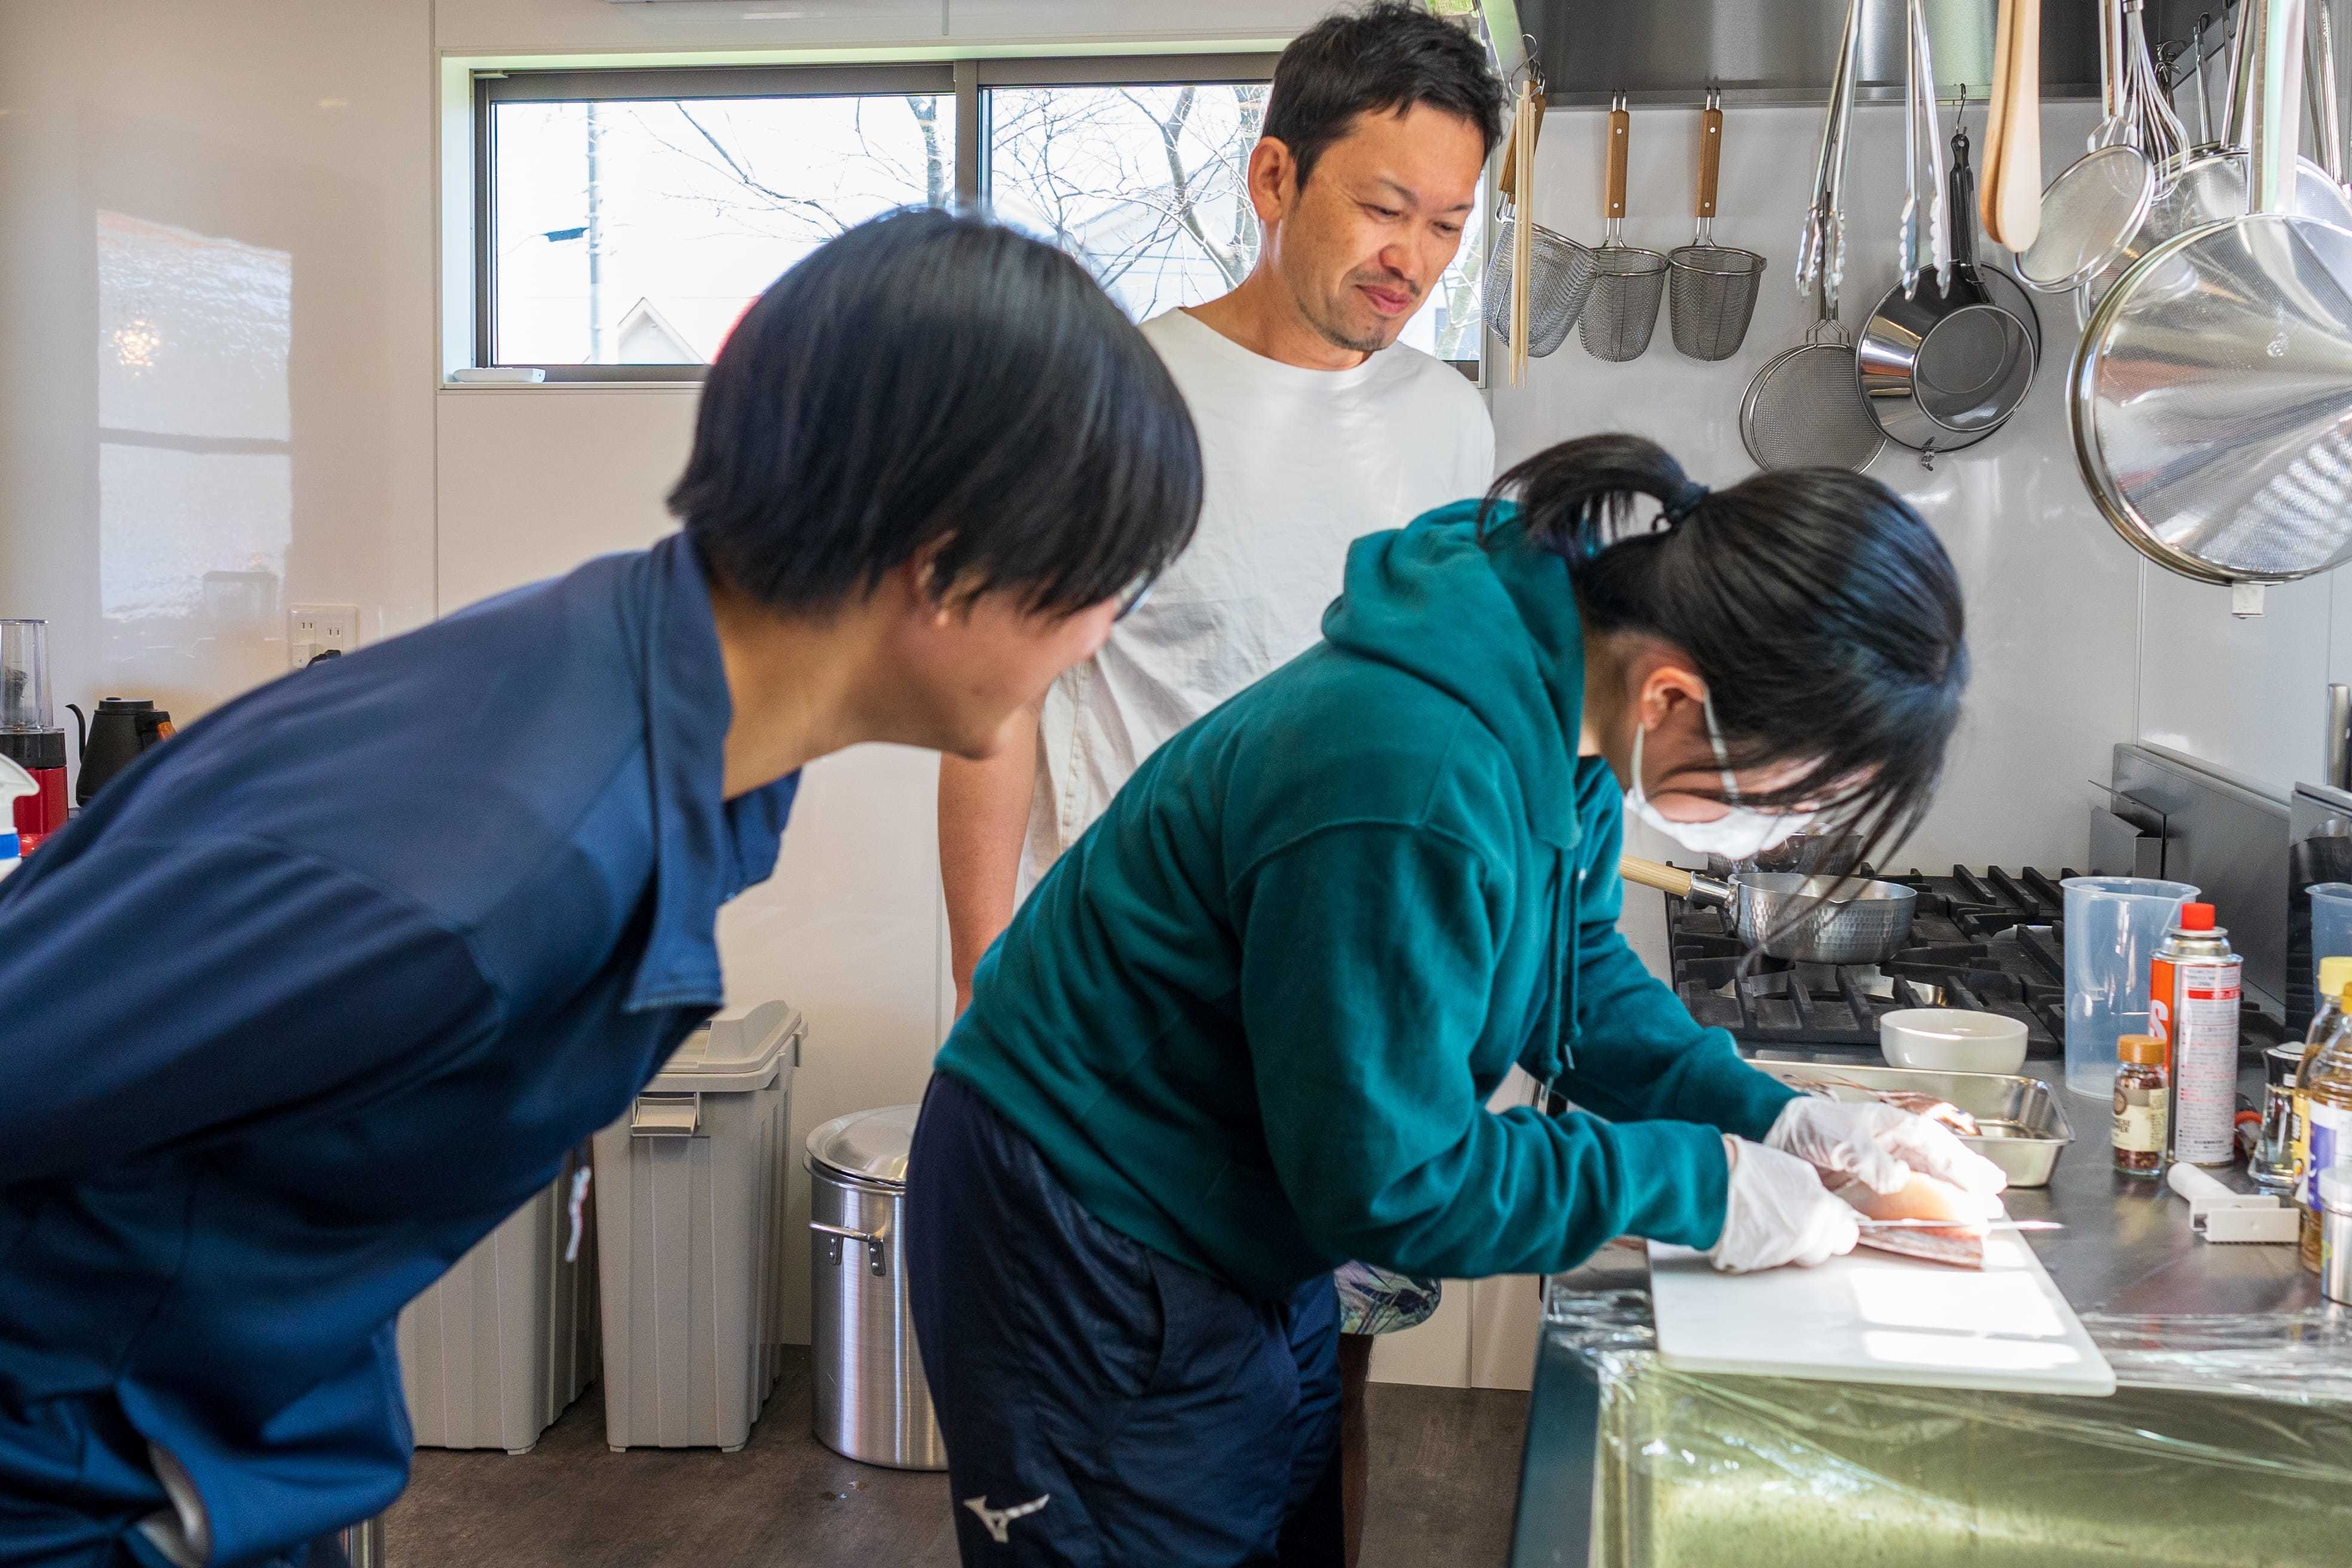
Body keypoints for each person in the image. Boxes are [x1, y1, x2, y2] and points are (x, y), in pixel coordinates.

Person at [0, 209, 1202, 1568]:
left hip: (226, 1453)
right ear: (938, 560)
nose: (1108, 632)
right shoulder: (492, 867)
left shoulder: (669, 707)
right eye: (1106, 579)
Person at [906, 434, 2004, 1566]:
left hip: (1229, 1204)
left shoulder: (1562, 702)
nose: (1794, 824)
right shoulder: (1410, 774)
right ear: (1679, 693)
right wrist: (1699, 1185)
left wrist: (1770, 1116)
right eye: (1800, 790)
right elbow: (1391, 1180)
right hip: (1081, 1214)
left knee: (1273, 1523)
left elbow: (1570, 974)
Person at [935, 10, 1498, 1552]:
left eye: (1449, 224)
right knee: (1129, 1485)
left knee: (1319, 1434)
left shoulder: (1450, 424)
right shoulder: (1119, 399)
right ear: (1273, 176)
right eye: (1384, 208)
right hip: (1135, 1052)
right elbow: (993, 717)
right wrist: (987, 994)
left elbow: (1445, 721)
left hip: (1344, 1031)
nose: (1415, 257)